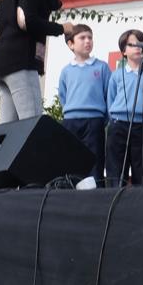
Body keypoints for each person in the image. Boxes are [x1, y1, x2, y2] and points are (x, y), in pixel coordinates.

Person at [106, 29, 143, 186]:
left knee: (142, 169)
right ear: (124, 51)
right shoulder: (117, 75)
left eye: (141, 44)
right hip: (119, 124)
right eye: (133, 44)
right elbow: (110, 100)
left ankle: (140, 203)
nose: (138, 47)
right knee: (116, 170)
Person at [57, 24, 110, 182]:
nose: (87, 41)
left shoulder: (102, 67)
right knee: (71, 160)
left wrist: (102, 120)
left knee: (95, 160)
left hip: (94, 121)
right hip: (71, 122)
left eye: (90, 37)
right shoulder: (66, 71)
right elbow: (63, 95)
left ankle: (95, 197)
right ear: (71, 44)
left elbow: (109, 94)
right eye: (82, 38)